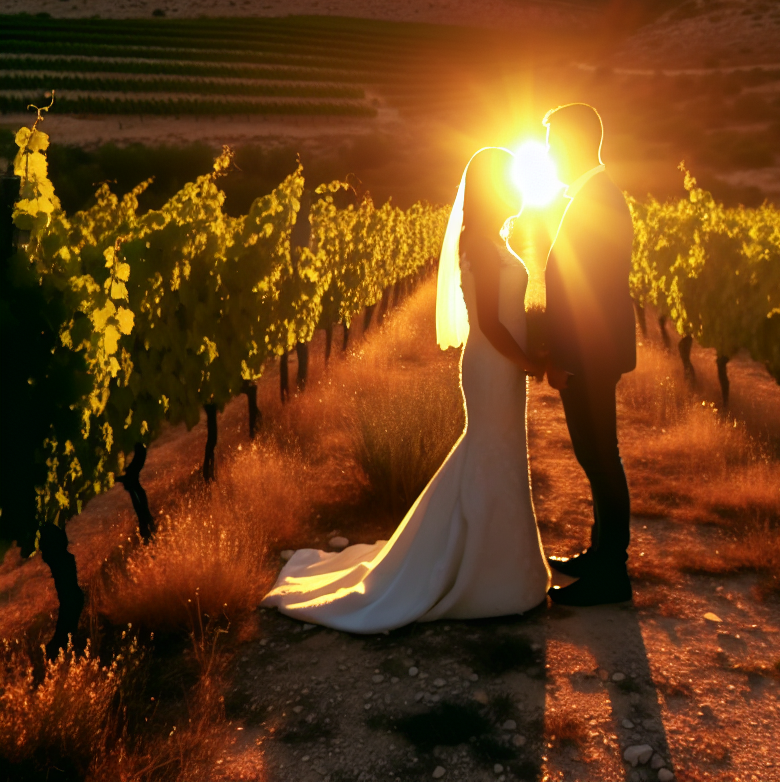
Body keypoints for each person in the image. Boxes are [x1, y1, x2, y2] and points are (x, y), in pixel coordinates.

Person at [261, 147, 550, 632]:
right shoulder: (479, 242)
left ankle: (499, 568)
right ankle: (486, 577)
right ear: (492, 188)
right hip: (492, 365)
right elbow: (490, 324)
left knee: (495, 454)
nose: (518, 189)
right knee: (489, 453)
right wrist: (530, 362)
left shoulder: (493, 240)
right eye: (510, 180)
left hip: (503, 367)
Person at [543, 103, 636, 606]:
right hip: (592, 351)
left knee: (601, 458)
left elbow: (586, 292)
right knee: (595, 457)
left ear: (576, 142)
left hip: (590, 354)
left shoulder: (597, 199)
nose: (550, 153)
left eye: (554, 142)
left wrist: (565, 357)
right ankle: (600, 555)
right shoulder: (592, 195)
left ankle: (612, 575)